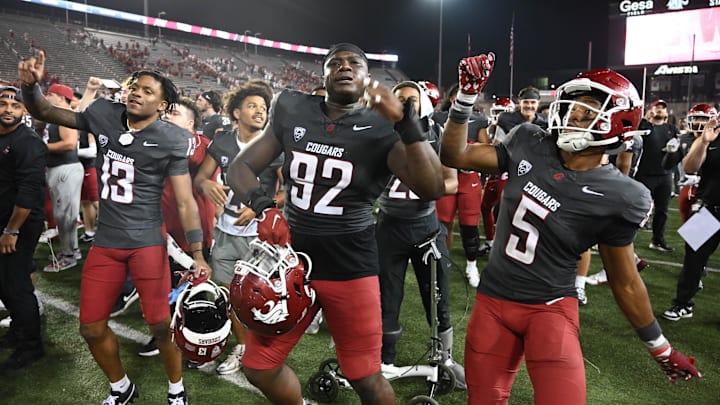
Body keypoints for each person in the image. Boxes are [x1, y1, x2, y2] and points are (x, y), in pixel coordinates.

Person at [440, 54, 701, 403]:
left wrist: (661, 348)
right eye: (573, 106)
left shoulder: (623, 194)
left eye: (589, 109)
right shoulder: (529, 140)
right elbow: (454, 155)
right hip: (492, 303)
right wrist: (465, 99)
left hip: (550, 309)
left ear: (618, 120)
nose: (575, 114)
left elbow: (623, 280)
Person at [226, 42, 444, 405]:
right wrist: (265, 208)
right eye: (335, 62)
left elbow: (431, 187)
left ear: (366, 77)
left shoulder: (384, 125)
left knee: (364, 376)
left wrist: (408, 127)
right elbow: (240, 168)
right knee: (259, 365)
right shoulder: (293, 107)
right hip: (292, 263)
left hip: (350, 265)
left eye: (353, 63)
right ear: (324, 75)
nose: (344, 67)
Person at [19, 52, 211, 405]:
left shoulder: (170, 138)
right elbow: (45, 112)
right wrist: (30, 88)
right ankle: (121, 387)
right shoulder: (104, 115)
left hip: (147, 242)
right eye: (134, 87)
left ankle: (176, 388)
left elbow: (184, 202)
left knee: (159, 325)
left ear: (163, 105)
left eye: (148, 91)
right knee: (90, 327)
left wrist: (197, 254)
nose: (137, 93)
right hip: (106, 242)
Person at [377, 81, 464, 387]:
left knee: (437, 296)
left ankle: (444, 358)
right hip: (389, 225)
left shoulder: (436, 134)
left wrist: (428, 186)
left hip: (425, 226)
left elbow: (452, 182)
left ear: (424, 104)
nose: (406, 105)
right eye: (400, 100)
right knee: (386, 296)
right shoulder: (379, 133)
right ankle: (384, 358)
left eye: (411, 100)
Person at [194, 80, 274, 374]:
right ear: (236, 113)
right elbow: (201, 177)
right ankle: (242, 347)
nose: (260, 111)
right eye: (253, 106)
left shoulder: (272, 143)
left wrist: (259, 207)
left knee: (260, 298)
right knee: (229, 294)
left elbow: (291, 188)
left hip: (261, 236)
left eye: (264, 108)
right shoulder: (224, 141)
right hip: (226, 230)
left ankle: (262, 348)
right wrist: (206, 185)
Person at [137, 96, 216, 358]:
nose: (168, 117)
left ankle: (199, 340)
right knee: (165, 286)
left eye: (175, 113)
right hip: (161, 229)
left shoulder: (199, 143)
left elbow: (189, 155)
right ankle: (169, 334)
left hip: (189, 233)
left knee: (192, 289)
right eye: (166, 113)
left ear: (191, 123)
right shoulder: (159, 141)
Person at [0, 86, 47, 374]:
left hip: (19, 224)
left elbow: (29, 194)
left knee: (16, 286)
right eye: (3, 103)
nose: (7, 109)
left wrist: (11, 230)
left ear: (24, 111)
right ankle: (19, 330)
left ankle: (31, 346)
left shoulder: (28, 142)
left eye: (14, 105)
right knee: (4, 283)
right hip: (4, 219)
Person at [662, 111, 720, 322]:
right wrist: (704, 142)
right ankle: (682, 304)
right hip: (708, 207)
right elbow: (689, 167)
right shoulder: (712, 135)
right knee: (692, 261)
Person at [433, 83, 490, 287]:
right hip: (446, 174)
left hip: (469, 178)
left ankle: (471, 265)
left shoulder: (478, 119)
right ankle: (444, 261)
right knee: (444, 223)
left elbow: (486, 147)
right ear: (451, 99)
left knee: (469, 225)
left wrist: (473, 152)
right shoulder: (438, 118)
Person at [41, 83, 84, 272]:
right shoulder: (58, 115)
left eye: (50, 94)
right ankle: (70, 250)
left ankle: (69, 255)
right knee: (64, 215)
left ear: (60, 97)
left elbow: (69, 143)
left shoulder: (63, 116)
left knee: (65, 215)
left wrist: (41, 148)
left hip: (65, 168)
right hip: (61, 168)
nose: (47, 97)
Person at [635, 99, 679, 252]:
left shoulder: (671, 128)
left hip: (665, 175)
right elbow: (637, 136)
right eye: (657, 107)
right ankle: (626, 241)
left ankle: (657, 240)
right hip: (646, 174)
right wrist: (646, 119)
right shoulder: (645, 126)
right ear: (651, 109)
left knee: (662, 210)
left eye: (663, 108)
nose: (660, 110)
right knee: (638, 209)